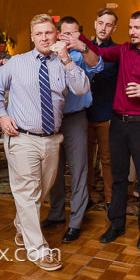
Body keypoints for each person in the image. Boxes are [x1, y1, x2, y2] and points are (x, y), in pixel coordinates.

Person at [0, 14, 89, 271]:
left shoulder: (64, 63)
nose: (44, 38)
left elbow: (82, 89)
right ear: (32, 37)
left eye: (49, 33)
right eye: (39, 34)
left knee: (41, 192)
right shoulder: (17, 62)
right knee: (27, 193)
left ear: (56, 35)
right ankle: (39, 250)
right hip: (21, 137)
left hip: (52, 139)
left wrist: (67, 59)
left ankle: (22, 225)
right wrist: (1, 115)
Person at [78, 11, 140, 250]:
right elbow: (99, 51)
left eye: (137, 28)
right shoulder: (122, 50)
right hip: (118, 124)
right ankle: (117, 224)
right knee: (118, 178)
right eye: (130, 27)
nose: (132, 32)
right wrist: (78, 37)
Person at [42, 17, 103, 243]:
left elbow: (98, 66)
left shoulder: (81, 56)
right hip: (52, 120)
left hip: (75, 119)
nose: (69, 37)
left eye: (74, 33)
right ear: (58, 34)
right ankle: (56, 215)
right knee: (54, 171)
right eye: (65, 33)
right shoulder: (48, 56)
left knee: (79, 171)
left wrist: (82, 47)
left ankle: (75, 222)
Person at [85, 8, 119, 208]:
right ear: (95, 24)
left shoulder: (117, 52)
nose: (103, 28)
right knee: (85, 161)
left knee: (107, 160)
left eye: (108, 24)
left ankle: (110, 201)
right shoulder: (83, 49)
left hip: (106, 114)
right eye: (100, 23)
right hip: (84, 115)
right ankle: (85, 200)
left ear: (114, 28)